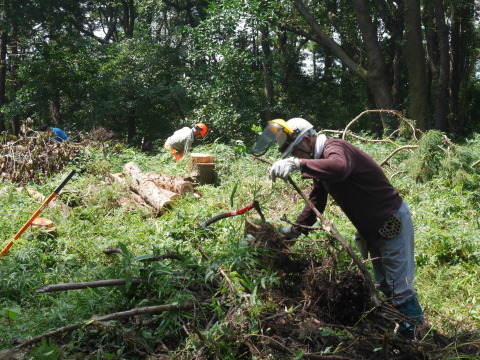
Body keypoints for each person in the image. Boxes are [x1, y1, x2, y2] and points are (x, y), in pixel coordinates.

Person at [253, 117, 424, 337]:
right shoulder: (321, 159)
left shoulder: (336, 149)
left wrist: (300, 164)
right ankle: (399, 330)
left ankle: (417, 338)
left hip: (390, 223)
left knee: (400, 287)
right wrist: (295, 230)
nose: (295, 157)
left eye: (296, 152)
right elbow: (317, 201)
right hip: (371, 228)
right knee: (384, 283)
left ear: (306, 141)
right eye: (292, 156)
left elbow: (340, 168)